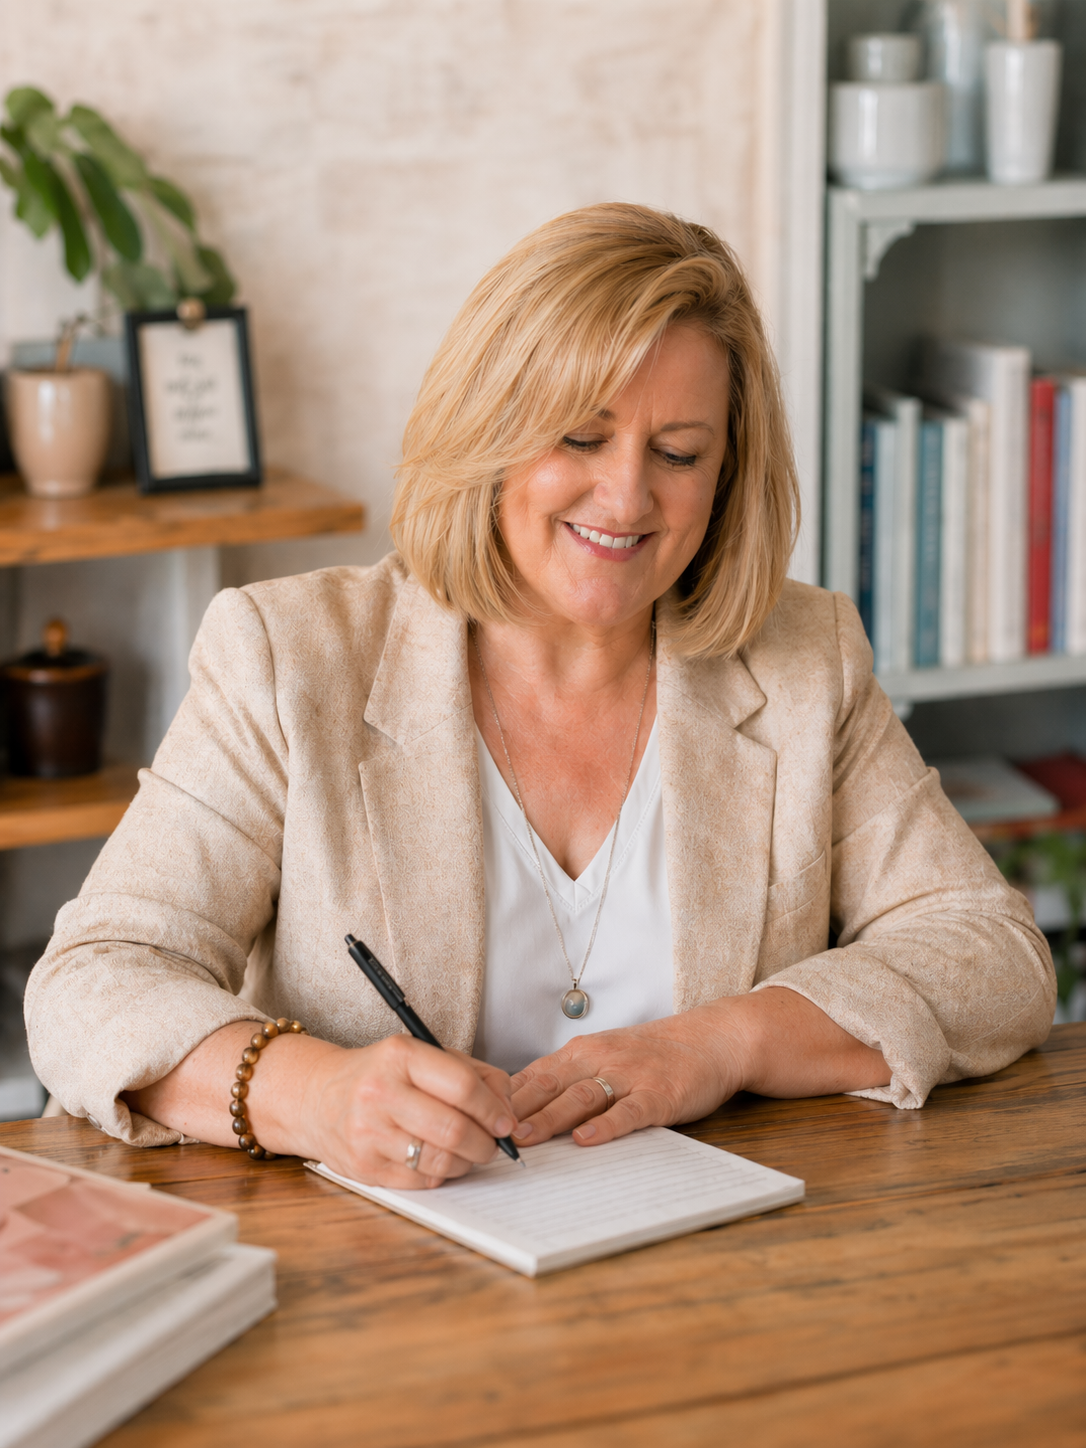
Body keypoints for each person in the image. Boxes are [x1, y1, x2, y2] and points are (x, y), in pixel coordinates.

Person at [26, 204, 1054, 1191]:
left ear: (726, 474)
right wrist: (318, 1094)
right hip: (376, 1289)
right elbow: (91, 982)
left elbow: (993, 958)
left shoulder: (803, 660)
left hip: (726, 1278)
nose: (626, 497)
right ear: (490, 432)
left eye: (679, 452)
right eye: (579, 436)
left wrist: (724, 1040)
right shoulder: (288, 655)